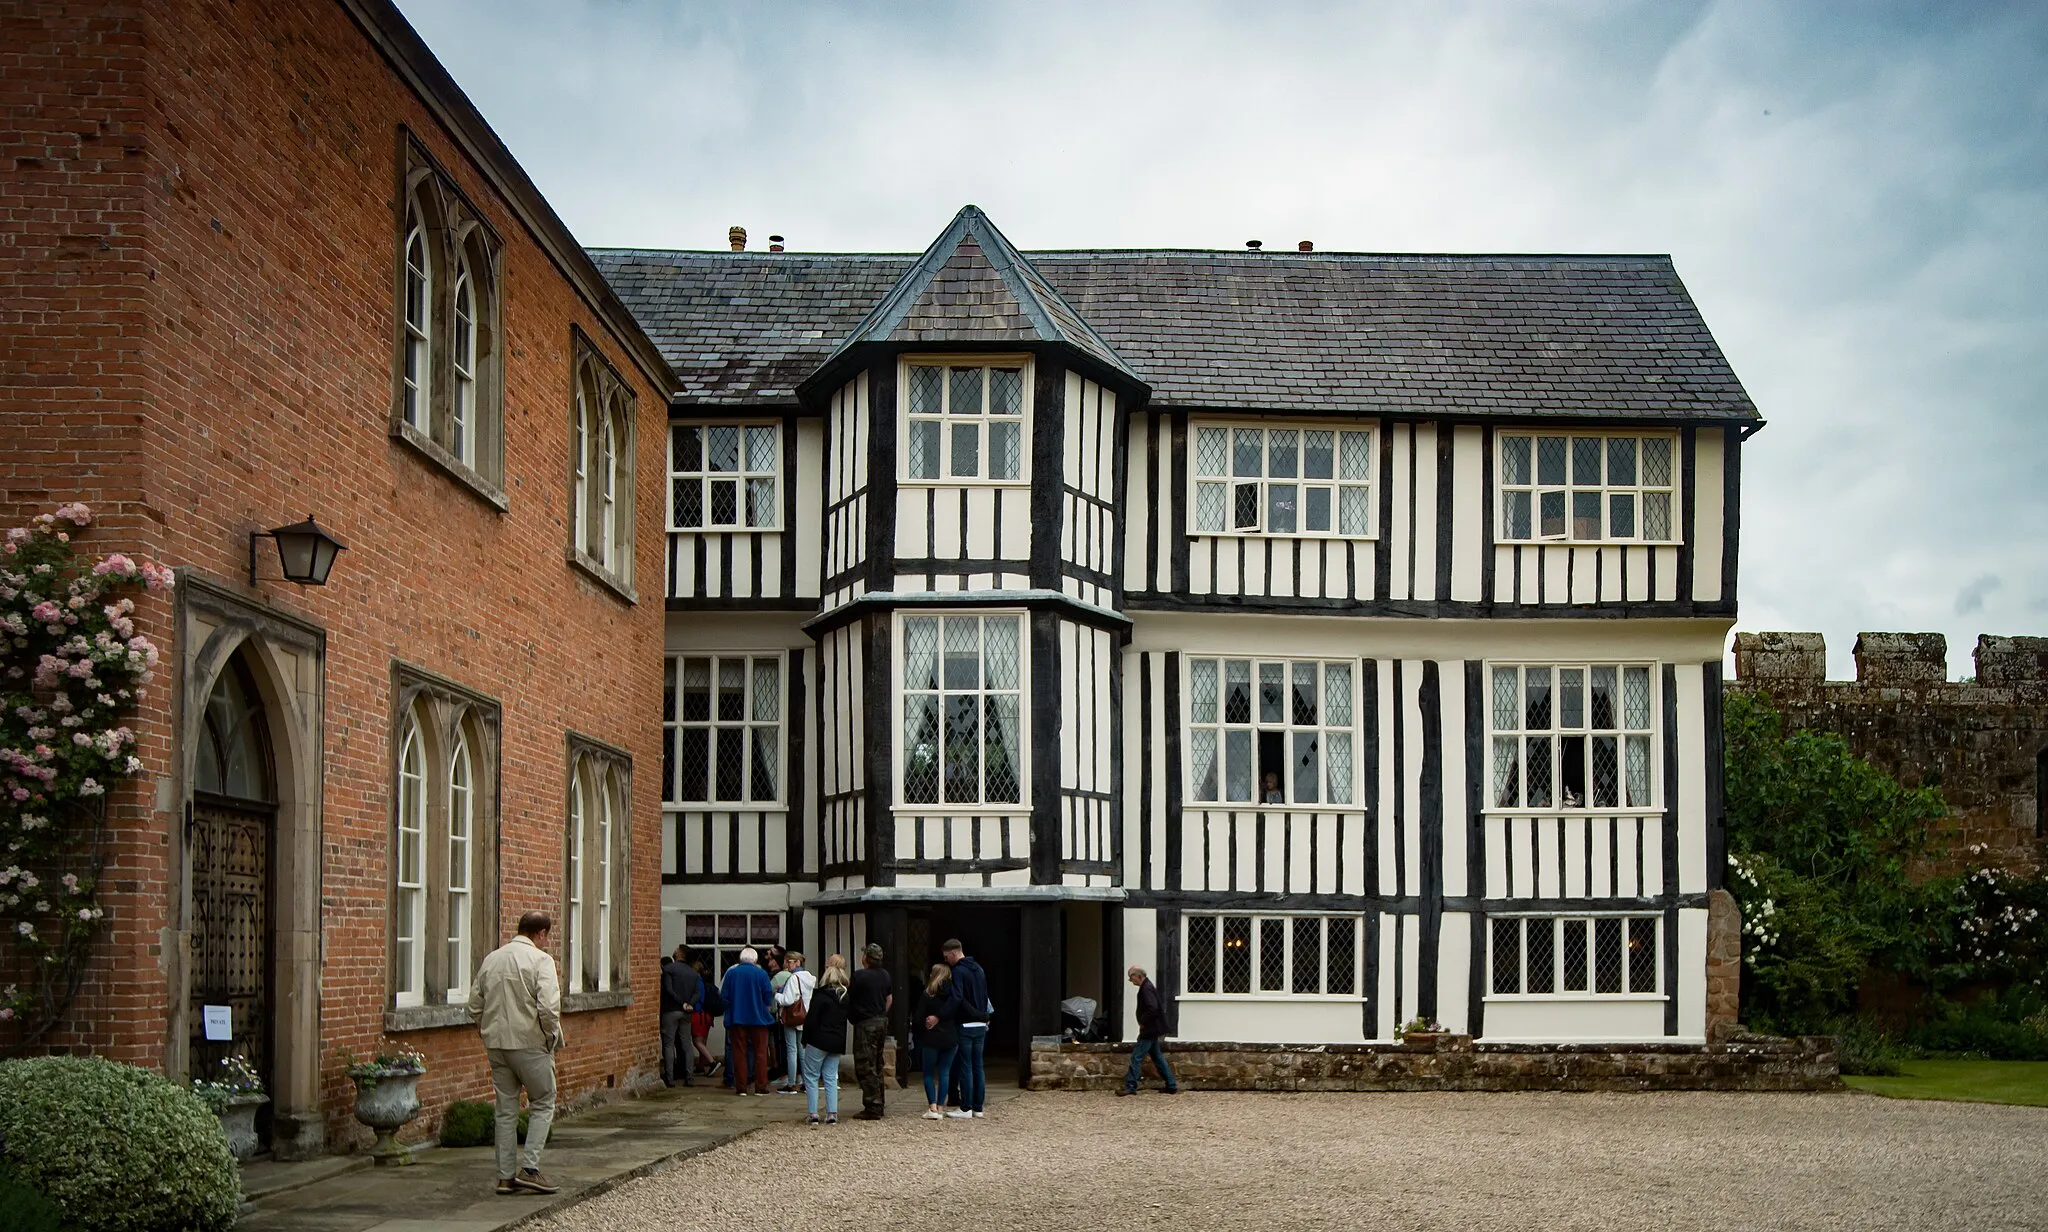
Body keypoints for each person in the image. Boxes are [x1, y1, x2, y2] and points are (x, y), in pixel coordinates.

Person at [468, 910, 564, 1196]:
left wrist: (488, 1031)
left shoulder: (492, 958)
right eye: (548, 936)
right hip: (530, 1043)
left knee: (505, 1111)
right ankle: (531, 1169)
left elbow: (474, 1006)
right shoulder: (541, 960)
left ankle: (504, 1177)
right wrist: (550, 1038)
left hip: (497, 1044)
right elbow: (548, 1009)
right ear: (541, 934)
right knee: (544, 1101)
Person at [940, 938, 989, 1119]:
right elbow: (984, 996)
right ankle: (978, 1107)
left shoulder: (959, 971)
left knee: (966, 1066)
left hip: (966, 1023)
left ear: (953, 953)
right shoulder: (979, 970)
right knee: (978, 1066)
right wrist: (983, 1016)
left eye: (946, 957)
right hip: (981, 1023)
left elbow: (957, 998)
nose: (946, 961)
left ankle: (966, 1106)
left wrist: (941, 1015)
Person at [800, 957, 851, 1126]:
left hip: (818, 1039)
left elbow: (811, 1020)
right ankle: (832, 1113)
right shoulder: (845, 997)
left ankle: (813, 1113)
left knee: (811, 1076)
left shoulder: (821, 995)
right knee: (830, 1077)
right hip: (836, 1041)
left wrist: (804, 1039)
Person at [720, 946, 776, 1095]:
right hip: (759, 1018)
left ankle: (741, 1087)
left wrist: (730, 1009)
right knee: (761, 1053)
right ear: (755, 959)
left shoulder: (732, 973)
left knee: (739, 1053)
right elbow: (768, 996)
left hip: (737, 1018)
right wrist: (764, 1008)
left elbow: (724, 997)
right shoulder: (761, 974)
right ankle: (761, 1086)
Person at [847, 942, 894, 1120]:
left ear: (866, 958)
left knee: (865, 1065)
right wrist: (881, 1013)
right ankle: (879, 1101)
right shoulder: (885, 975)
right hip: (881, 1021)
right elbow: (889, 999)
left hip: (865, 1023)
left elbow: (850, 999)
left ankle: (872, 1106)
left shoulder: (859, 976)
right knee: (877, 1063)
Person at [1118, 964, 1179, 1096]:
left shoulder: (1146, 989)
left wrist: (1142, 1021)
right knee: (1157, 1057)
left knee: (1137, 1057)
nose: (1131, 981)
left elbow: (1153, 1008)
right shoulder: (1148, 986)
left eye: (1131, 977)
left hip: (1149, 1029)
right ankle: (1171, 1085)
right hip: (1154, 1028)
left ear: (1137, 976)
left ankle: (1130, 1086)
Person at [915, 962, 961, 1121]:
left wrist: (922, 1029)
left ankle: (932, 1107)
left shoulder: (928, 994)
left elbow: (918, 1018)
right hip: (950, 1036)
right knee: (945, 1072)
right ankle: (941, 1106)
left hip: (931, 1037)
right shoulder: (953, 994)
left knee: (928, 1073)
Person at [774, 951, 816, 1095]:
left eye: (789, 961)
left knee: (792, 1050)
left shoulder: (793, 978)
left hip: (792, 1017)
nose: (786, 965)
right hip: (805, 1016)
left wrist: (777, 994)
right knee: (803, 1051)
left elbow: (788, 999)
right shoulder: (809, 977)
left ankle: (791, 1084)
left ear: (797, 962)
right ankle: (806, 1082)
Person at [658, 953, 702, 1087]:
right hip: (687, 1012)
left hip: (671, 1010)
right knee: (687, 1044)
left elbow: (668, 989)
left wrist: (681, 1002)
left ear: (678, 954)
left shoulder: (669, 969)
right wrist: (689, 1003)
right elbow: (697, 993)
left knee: (668, 1044)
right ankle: (689, 1077)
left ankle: (669, 1077)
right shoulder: (693, 973)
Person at [689, 956, 720, 1076]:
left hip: (699, 1014)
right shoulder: (706, 982)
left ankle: (712, 1062)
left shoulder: (697, 982)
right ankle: (701, 1066)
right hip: (707, 1015)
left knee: (697, 1041)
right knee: (703, 1041)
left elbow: (697, 998)